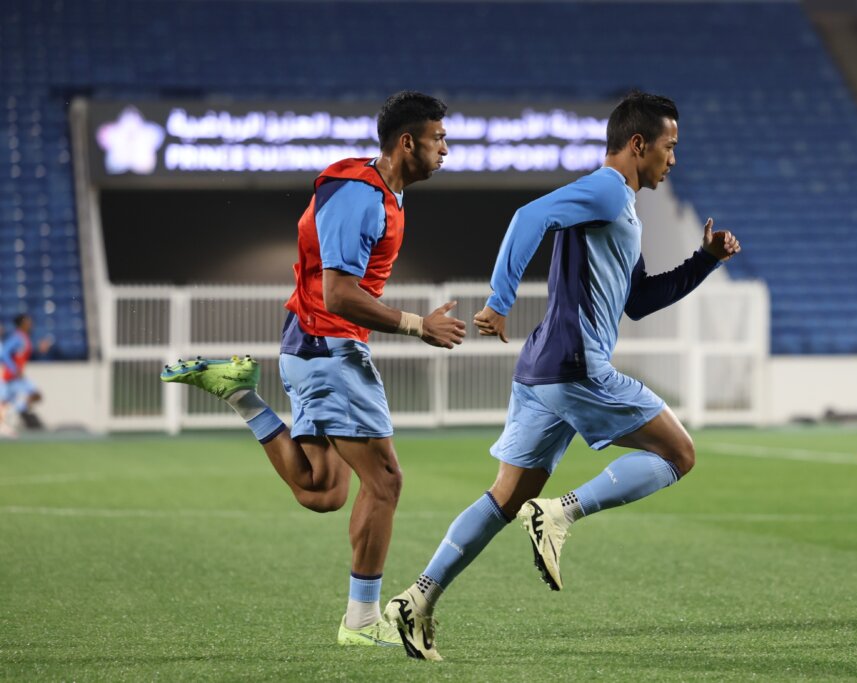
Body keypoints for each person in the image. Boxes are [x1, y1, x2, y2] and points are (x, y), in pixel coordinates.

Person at [384, 91, 741, 661]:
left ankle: (417, 598)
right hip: (577, 366)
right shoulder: (605, 188)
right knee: (679, 454)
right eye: (670, 147)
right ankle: (561, 512)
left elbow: (641, 300)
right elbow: (530, 216)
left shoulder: (622, 208)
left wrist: (704, 261)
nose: (674, 160)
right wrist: (498, 301)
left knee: (504, 498)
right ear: (638, 144)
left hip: (543, 371)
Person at [160, 91, 466, 648]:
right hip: (329, 344)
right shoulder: (362, 197)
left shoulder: (380, 191)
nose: (446, 148)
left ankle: (240, 397)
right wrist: (419, 325)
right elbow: (340, 294)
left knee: (322, 490)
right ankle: (361, 622)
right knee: (386, 481)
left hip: (312, 342)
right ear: (407, 142)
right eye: (438, 138)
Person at [0, 314, 53, 437]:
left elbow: (23, 353)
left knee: (30, 396)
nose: (30, 324)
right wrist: (14, 369)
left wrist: (39, 349)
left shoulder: (25, 338)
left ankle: (16, 412)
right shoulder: (17, 337)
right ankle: (13, 417)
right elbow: (4, 354)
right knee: (9, 401)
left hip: (18, 377)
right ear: (22, 324)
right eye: (28, 321)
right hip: (12, 377)